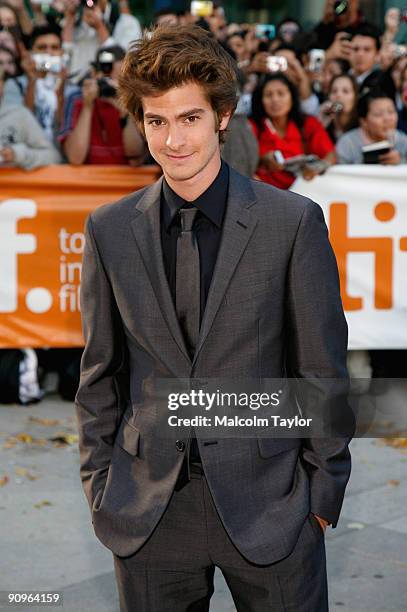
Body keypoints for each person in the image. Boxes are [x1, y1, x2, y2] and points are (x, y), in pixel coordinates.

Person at [76, 25, 353, 612]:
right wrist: (102, 486)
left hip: (273, 506)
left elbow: (321, 369)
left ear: (223, 115)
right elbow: (100, 373)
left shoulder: (292, 223)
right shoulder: (109, 229)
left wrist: (321, 498)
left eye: (190, 118)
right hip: (149, 511)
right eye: (156, 121)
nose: (174, 140)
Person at [61, 45, 145, 165]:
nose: (111, 84)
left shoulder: (135, 101)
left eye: (119, 80)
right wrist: (87, 106)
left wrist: (125, 113)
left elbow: (136, 159)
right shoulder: (76, 99)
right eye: (107, 77)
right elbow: (75, 158)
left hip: (128, 181)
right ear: (94, 74)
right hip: (88, 181)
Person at [249, 73, 336, 189]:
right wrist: (262, 160)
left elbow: (330, 155)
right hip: (264, 196)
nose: (275, 99)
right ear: (260, 100)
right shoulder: (251, 126)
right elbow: (241, 162)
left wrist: (316, 169)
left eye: (281, 93)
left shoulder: (308, 123)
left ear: (292, 97)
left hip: (304, 193)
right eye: (268, 95)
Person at [0, 67, 61, 169]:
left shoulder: (19, 115)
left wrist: (17, 154)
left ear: (2, 85)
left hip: (13, 183)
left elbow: (53, 157)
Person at [336, 89, 407, 163]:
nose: (387, 119)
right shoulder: (348, 144)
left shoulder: (403, 141)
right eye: (378, 114)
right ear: (364, 121)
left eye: (391, 111)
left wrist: (400, 162)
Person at [319, 73, 359, 142]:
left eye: (345, 91)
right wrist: (320, 124)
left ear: (355, 97)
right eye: (334, 91)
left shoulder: (361, 126)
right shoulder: (326, 121)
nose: (338, 95)